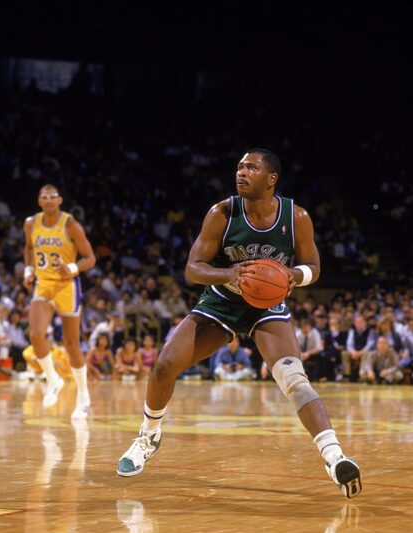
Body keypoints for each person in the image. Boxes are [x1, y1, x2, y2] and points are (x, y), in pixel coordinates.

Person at [117, 149, 362, 498]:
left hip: (268, 306)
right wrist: (227, 273)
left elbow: (314, 268)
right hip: (222, 302)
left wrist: (294, 275)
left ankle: (335, 457)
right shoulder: (222, 213)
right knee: (164, 365)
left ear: (271, 178)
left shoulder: (297, 217)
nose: (241, 172)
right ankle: (148, 435)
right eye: (239, 167)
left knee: (295, 380)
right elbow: (192, 268)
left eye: (251, 167)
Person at [23, 184, 96, 418]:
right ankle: (53, 380)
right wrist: (27, 270)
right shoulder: (30, 223)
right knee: (35, 334)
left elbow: (90, 258)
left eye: (53, 197)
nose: (48, 200)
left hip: (67, 286)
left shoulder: (70, 224)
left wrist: (73, 267)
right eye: (44, 197)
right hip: (43, 283)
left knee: (72, 345)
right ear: (39, 201)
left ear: (60, 200)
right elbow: (28, 248)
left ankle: (83, 396)